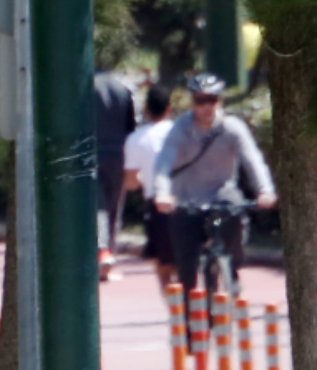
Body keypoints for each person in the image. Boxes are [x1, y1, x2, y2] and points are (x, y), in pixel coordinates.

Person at [154, 73, 277, 301]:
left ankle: (232, 265)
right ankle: (192, 326)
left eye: (212, 100)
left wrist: (265, 190)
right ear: (193, 103)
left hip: (221, 194)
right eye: (201, 101)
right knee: (187, 271)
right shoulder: (180, 129)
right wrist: (162, 193)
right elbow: (163, 163)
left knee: (235, 207)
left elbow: (253, 160)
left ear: (219, 101)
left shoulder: (232, 128)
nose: (207, 106)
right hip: (186, 200)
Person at [123, 83, 177, 296]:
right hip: (186, 198)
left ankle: (175, 311)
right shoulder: (180, 132)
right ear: (169, 109)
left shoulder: (136, 139)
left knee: (163, 265)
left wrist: (145, 179)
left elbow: (131, 182)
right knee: (186, 262)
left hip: (158, 205)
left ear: (146, 110)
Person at [95, 69, 137, 281]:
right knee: (113, 207)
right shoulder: (125, 87)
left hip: (92, 150)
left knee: (97, 204)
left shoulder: (85, 86)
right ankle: (108, 252)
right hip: (119, 152)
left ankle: (101, 251)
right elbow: (132, 126)